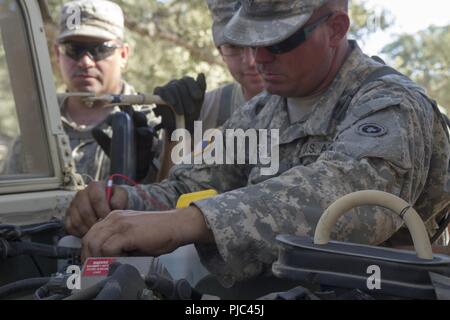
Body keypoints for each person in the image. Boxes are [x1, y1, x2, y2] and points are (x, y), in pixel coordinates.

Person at [66, 0, 450, 289]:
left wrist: (190, 221)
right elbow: (191, 184)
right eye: (249, 40)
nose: (257, 57)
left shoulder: (391, 103)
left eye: (279, 42)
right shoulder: (264, 109)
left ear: (335, 29)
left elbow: (354, 198)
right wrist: (123, 204)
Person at [54, 0, 159, 182]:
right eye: (73, 49)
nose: (85, 62)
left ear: (123, 55)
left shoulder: (153, 124)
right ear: (57, 53)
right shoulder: (39, 123)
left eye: (100, 49)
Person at [200, 0, 264, 131]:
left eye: (257, 44)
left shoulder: (306, 102)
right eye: (234, 46)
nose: (250, 61)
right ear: (221, 52)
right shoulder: (206, 110)